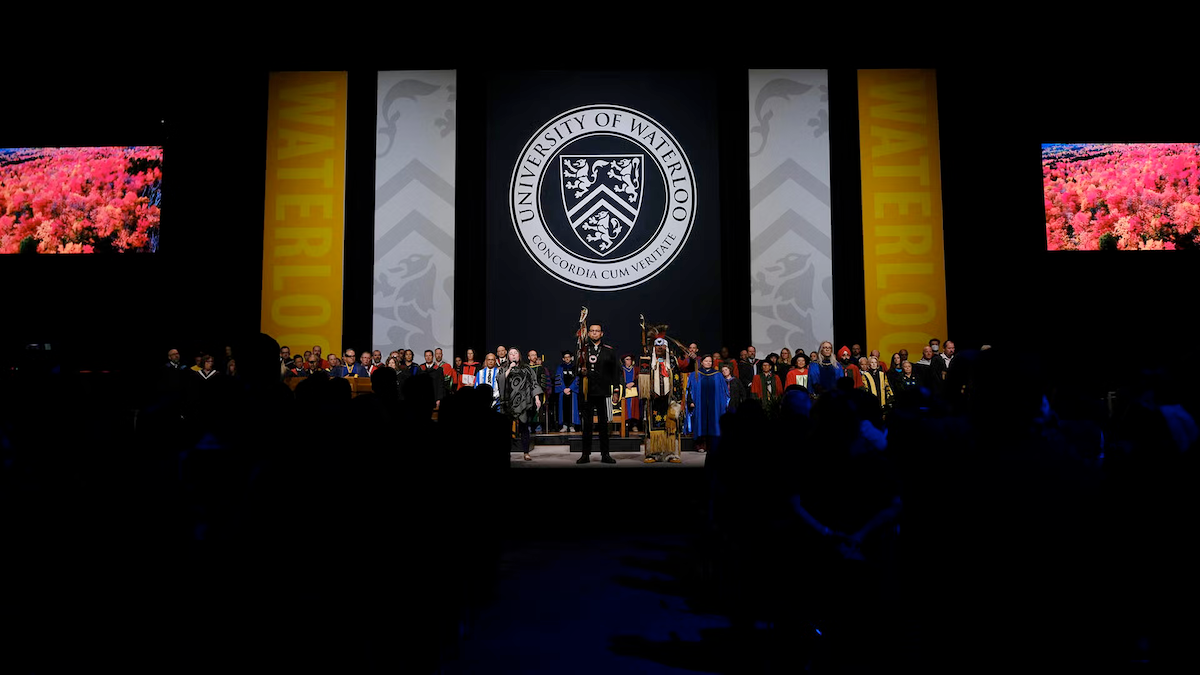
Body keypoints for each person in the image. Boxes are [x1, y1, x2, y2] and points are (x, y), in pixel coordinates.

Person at [577, 323, 621, 464]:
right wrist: (580, 371)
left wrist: (615, 391)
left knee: (604, 425)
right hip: (587, 392)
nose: (595, 333)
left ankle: (605, 454)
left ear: (602, 334)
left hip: (603, 392)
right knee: (587, 425)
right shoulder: (583, 350)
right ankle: (585, 455)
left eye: (597, 331)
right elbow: (575, 368)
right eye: (592, 331)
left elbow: (615, 372)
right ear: (588, 333)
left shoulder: (609, 351)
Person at [497, 348, 542, 461]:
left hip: (523, 402)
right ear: (508, 356)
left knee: (524, 428)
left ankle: (526, 452)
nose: (513, 355)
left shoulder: (526, 368)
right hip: (508, 402)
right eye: (511, 354)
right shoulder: (504, 367)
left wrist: (537, 397)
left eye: (515, 353)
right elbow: (500, 379)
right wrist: (509, 369)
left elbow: (533, 382)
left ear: (519, 356)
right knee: (506, 429)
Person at [645, 338, 684, 463]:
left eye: (662, 346)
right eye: (657, 346)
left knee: (671, 425)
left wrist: (676, 399)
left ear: (666, 348)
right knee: (653, 427)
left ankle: (671, 453)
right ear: (654, 348)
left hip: (669, 399)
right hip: (653, 400)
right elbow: (642, 380)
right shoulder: (647, 361)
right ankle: (653, 453)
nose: (659, 348)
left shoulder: (672, 361)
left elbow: (678, 379)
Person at [687, 354, 728, 453]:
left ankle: (712, 445)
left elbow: (724, 391)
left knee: (713, 423)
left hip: (714, 405)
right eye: (706, 361)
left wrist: (723, 404)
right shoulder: (695, 374)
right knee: (701, 423)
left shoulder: (718, 375)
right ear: (701, 362)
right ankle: (701, 445)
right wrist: (690, 401)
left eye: (710, 361)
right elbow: (689, 390)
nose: (708, 363)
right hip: (699, 404)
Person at [554, 351, 580, 432]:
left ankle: (572, 426)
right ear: (563, 359)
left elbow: (577, 379)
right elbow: (558, 379)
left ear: (571, 358)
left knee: (573, 409)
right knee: (563, 409)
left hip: (572, 392)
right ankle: (564, 426)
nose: (567, 358)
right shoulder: (560, 367)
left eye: (568, 357)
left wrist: (570, 388)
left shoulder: (575, 367)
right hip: (563, 391)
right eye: (565, 357)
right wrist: (564, 389)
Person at [620, 354, 642, 433]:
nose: (629, 361)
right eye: (627, 359)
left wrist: (633, 382)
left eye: (630, 359)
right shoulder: (621, 369)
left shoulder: (636, 369)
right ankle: (625, 424)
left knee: (634, 408)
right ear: (624, 361)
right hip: (625, 391)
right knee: (625, 408)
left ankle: (634, 425)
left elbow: (639, 377)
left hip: (634, 391)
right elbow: (619, 379)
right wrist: (625, 384)